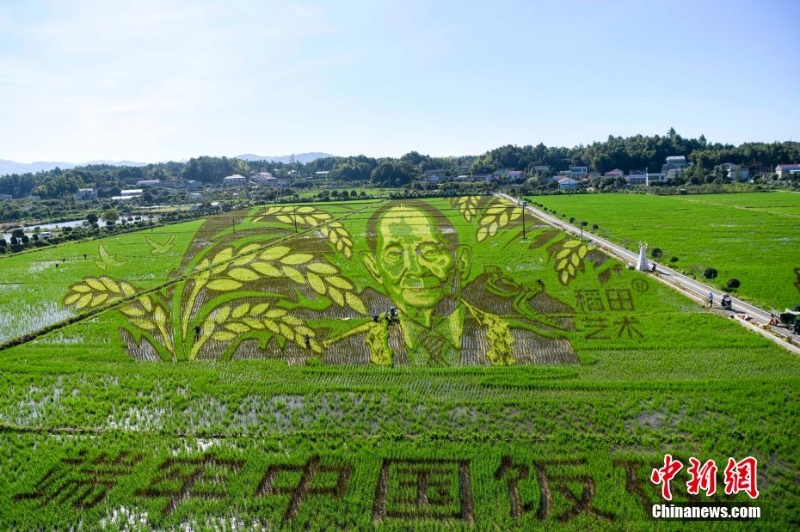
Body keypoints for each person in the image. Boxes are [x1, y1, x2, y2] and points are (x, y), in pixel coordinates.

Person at [325, 201, 576, 366]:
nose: (415, 268)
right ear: (374, 268)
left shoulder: (543, 349)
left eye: (431, 251)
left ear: (462, 261)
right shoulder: (341, 355)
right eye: (394, 254)